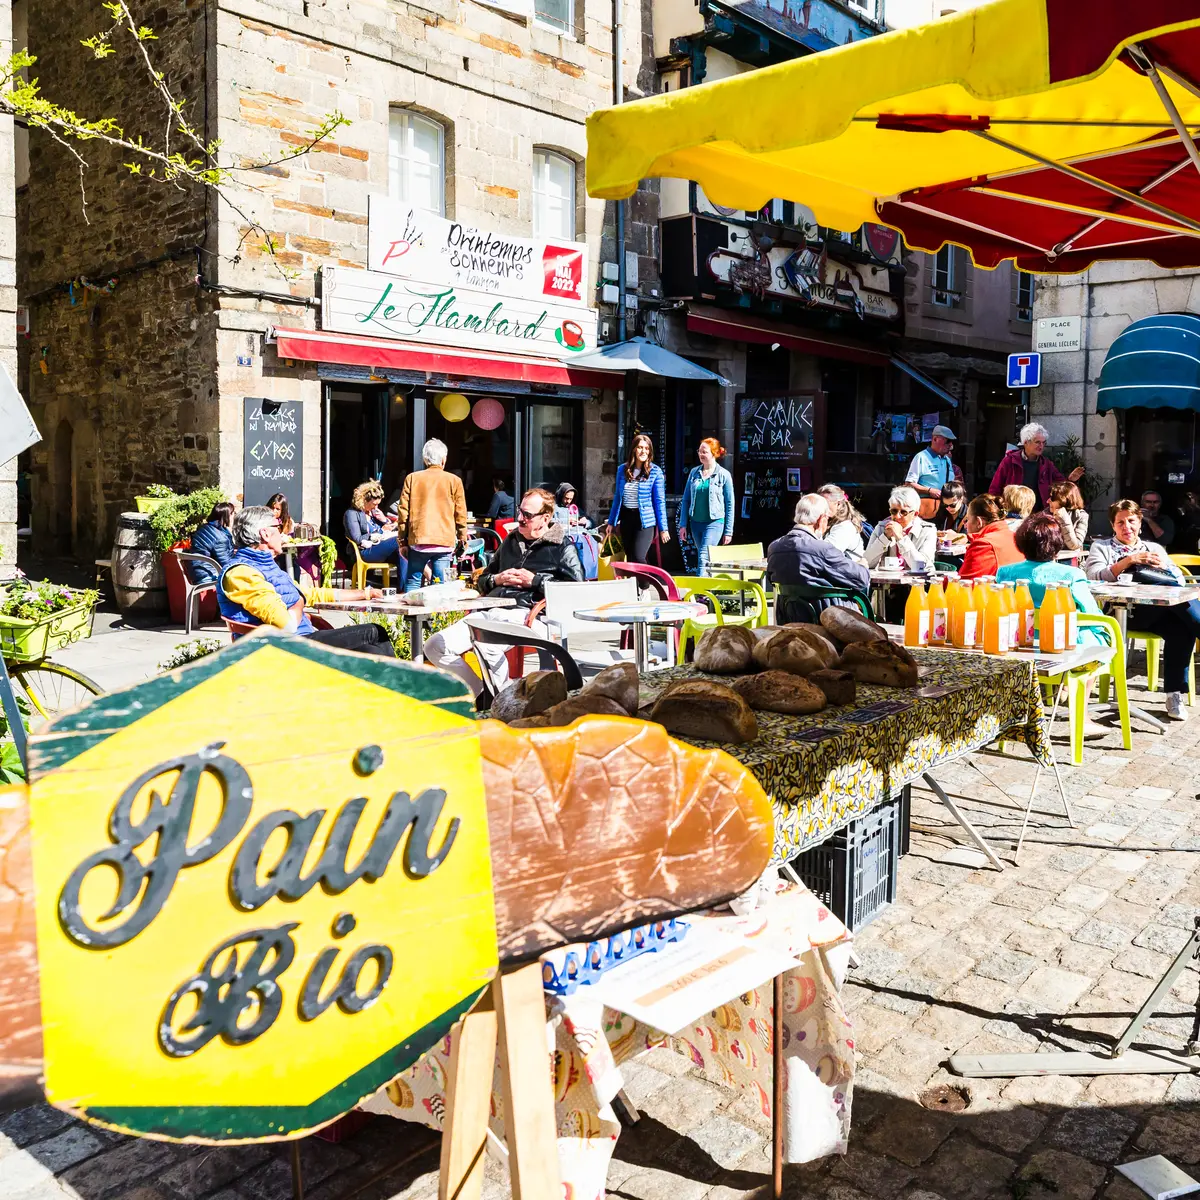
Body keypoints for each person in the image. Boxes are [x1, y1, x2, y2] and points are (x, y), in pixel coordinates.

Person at [423, 488, 585, 694]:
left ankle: (503, 701)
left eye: (527, 515)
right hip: (492, 610)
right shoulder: (511, 541)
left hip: (531, 615)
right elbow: (481, 580)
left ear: (545, 518)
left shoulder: (562, 546)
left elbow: (576, 590)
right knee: (434, 646)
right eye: (520, 511)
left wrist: (535, 581)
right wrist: (497, 579)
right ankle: (479, 691)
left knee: (487, 645)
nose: (520, 518)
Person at [218, 506, 394, 656]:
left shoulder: (267, 567)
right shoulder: (241, 573)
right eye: (278, 527)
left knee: (370, 651)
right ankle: (406, 687)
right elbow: (286, 624)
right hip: (284, 649)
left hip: (298, 642)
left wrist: (365, 593)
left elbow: (311, 594)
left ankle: (394, 693)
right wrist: (299, 603)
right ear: (265, 534)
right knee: (374, 632)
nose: (284, 533)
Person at [1086, 498, 1200, 719]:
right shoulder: (1102, 547)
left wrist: (1164, 566)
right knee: (1179, 607)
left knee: (1181, 629)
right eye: (1120, 522)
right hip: (1124, 611)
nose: (1126, 527)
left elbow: (1178, 580)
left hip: (1159, 611)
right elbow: (1093, 576)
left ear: (1139, 522)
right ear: (1112, 525)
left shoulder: (1154, 547)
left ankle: (1173, 694)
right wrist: (1128, 561)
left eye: (1131, 521)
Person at [997, 512, 1103, 642]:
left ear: (1021, 543)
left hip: (1016, 641)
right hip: (1064, 644)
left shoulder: (1004, 573)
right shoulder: (1072, 576)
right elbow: (1092, 615)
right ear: (1058, 543)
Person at [766, 494, 871, 620]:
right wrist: (862, 565)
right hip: (828, 623)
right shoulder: (823, 550)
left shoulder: (774, 548)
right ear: (821, 519)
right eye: (827, 518)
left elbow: (771, 580)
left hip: (789, 619)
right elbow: (861, 579)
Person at [395, 438, 469, 593]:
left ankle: (411, 617)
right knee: (440, 584)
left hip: (418, 539)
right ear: (444, 459)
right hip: (443, 540)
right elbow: (460, 514)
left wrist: (402, 540)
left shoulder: (412, 478)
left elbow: (403, 512)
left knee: (413, 581)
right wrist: (462, 539)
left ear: (424, 459)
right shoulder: (454, 481)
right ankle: (437, 617)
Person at [604, 433, 669, 565]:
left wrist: (663, 528)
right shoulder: (622, 470)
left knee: (639, 556)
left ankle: (645, 584)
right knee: (631, 557)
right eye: (640, 447)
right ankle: (636, 584)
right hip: (627, 518)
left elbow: (659, 501)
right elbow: (618, 497)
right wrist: (611, 522)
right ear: (634, 449)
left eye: (646, 448)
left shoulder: (655, 472)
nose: (643, 451)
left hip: (645, 520)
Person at [989, 422, 1084, 510]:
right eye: (1038, 442)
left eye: (1043, 443)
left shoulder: (1046, 464)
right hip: (1013, 513)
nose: (1041, 446)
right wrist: (996, 510)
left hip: (1039, 514)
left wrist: (1070, 479)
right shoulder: (1009, 461)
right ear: (1026, 442)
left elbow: (1060, 485)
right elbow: (995, 489)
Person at [677, 437, 735, 576]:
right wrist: (683, 524)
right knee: (704, 557)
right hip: (696, 522)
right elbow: (686, 499)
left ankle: (700, 593)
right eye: (699, 451)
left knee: (703, 556)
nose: (701, 454)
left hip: (714, 522)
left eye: (705, 452)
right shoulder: (694, 473)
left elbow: (730, 503)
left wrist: (728, 530)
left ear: (714, 453)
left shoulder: (724, 475)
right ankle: (710, 588)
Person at [344, 481, 406, 589]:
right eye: (374, 504)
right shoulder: (352, 514)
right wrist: (380, 532)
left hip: (380, 546)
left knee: (404, 551)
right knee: (399, 540)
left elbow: (387, 528)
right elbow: (357, 538)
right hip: (365, 551)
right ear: (363, 500)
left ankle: (404, 589)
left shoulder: (373, 513)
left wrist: (384, 520)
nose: (376, 507)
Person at [864, 486, 937, 569]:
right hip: (886, 580)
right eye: (894, 511)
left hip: (915, 581)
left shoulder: (927, 530)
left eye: (903, 512)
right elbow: (867, 563)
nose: (897, 516)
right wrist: (884, 537)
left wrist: (901, 538)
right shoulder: (881, 528)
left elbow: (922, 567)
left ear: (915, 514)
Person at [958, 494, 1023, 580]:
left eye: (967, 520)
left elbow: (965, 584)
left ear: (979, 522)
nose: (965, 525)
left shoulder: (983, 545)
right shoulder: (1015, 537)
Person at [905, 425, 960, 508]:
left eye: (952, 442)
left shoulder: (947, 460)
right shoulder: (921, 457)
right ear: (935, 439)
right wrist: (929, 491)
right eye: (948, 441)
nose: (950, 445)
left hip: (946, 507)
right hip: (926, 507)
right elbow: (909, 484)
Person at [188, 501, 236, 585]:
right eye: (232, 514)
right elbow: (226, 563)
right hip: (208, 574)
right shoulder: (219, 537)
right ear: (226, 516)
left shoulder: (204, 528)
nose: (234, 517)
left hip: (197, 571)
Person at [1048, 481, 1089, 551]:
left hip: (1070, 560)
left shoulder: (1081, 516)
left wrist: (1064, 520)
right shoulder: (1045, 514)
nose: (1048, 501)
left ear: (1064, 500)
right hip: (1048, 559)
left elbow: (1074, 545)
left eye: (1052, 499)